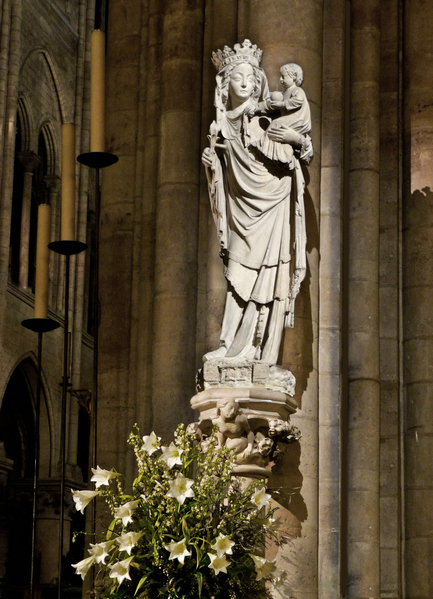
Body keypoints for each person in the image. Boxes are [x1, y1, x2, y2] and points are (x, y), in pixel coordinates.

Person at [202, 40, 309, 365]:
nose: (246, 83)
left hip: (274, 199)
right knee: (237, 273)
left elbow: (300, 152)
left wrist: (296, 140)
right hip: (242, 209)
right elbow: (221, 172)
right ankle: (230, 346)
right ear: (225, 86)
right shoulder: (220, 126)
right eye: (238, 78)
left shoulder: (265, 116)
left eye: (251, 78)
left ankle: (261, 353)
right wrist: (211, 164)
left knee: (270, 275)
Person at [253, 62, 313, 165]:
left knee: (275, 123)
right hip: (288, 122)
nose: (280, 79)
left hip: (298, 119)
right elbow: (269, 105)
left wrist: (297, 139)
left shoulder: (297, 90)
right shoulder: (283, 94)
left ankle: (264, 148)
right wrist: (257, 106)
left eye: (283, 77)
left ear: (294, 77)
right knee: (276, 125)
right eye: (280, 76)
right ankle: (267, 149)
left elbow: (297, 101)